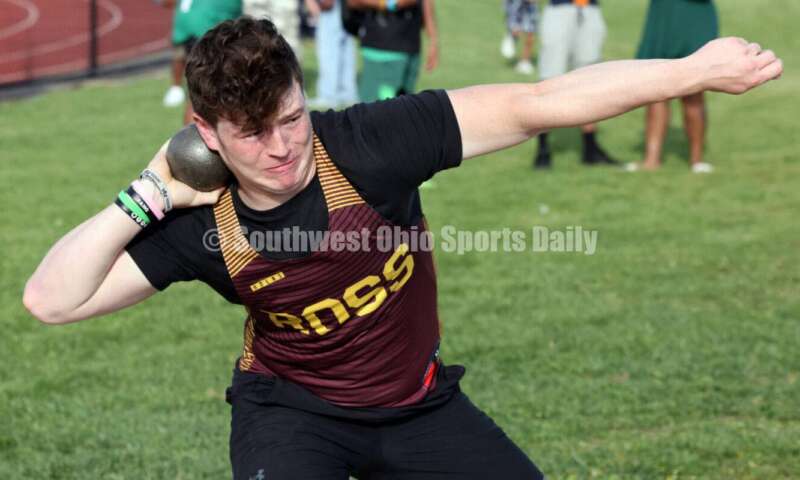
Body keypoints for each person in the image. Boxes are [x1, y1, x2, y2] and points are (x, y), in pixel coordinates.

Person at [23, 15, 781, 480]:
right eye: (253, 133)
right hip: (293, 416)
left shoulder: (368, 146)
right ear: (206, 131)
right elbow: (51, 302)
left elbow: (537, 101)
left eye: (291, 117)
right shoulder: (199, 223)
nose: (283, 148)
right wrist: (148, 191)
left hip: (419, 407)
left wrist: (692, 71)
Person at [631, 0, 719, 173]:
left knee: (694, 92)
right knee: (655, 90)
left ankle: (696, 160)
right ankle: (651, 159)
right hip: (664, 15)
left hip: (695, 17)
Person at [534, 0, 616, 169]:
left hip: (589, 9)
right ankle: (543, 148)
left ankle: (590, 148)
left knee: (590, 82)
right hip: (559, 9)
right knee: (549, 81)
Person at [161, 0, 243, 125]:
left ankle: (176, 89)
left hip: (188, 32)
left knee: (200, 93)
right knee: (204, 92)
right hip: (210, 35)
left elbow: (166, 3)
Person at [347, 0, 439, 102]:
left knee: (406, 109)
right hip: (380, 51)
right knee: (376, 110)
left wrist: (433, 39)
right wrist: (388, 4)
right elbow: (352, 2)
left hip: (410, 48)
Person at [305, 0, 359, 108]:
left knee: (329, 48)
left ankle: (328, 95)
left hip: (330, 7)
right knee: (345, 47)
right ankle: (347, 94)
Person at [500, 0, 538, 75]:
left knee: (530, 34)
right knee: (515, 30)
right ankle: (511, 37)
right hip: (515, 4)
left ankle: (525, 61)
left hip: (530, 7)